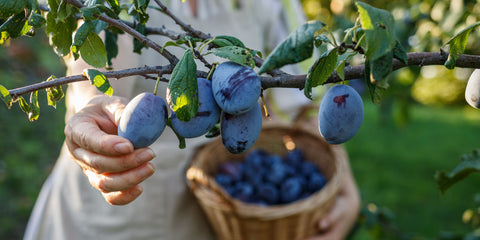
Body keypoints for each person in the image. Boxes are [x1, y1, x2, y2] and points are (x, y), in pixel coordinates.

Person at [24, 0, 360, 239]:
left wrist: (342, 184)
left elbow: (307, 94)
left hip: (215, 210)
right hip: (107, 217)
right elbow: (100, 67)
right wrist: (94, 102)